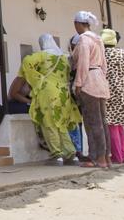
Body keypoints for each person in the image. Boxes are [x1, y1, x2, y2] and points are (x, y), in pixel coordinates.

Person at [19, 35, 83, 165]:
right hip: (63, 94)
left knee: (49, 123)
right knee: (62, 124)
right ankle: (71, 154)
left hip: (47, 92)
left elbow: (26, 62)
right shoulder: (64, 57)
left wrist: (38, 80)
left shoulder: (41, 56)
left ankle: (57, 155)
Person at [71, 11, 110, 168]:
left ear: (79, 24)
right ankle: (105, 156)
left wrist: (78, 83)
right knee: (102, 122)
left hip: (89, 81)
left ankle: (97, 158)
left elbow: (83, 63)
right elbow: (104, 64)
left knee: (92, 122)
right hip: (100, 78)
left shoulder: (84, 40)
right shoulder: (98, 39)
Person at [101, 29, 124, 164]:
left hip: (108, 92)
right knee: (119, 125)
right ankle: (123, 155)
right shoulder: (123, 53)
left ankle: (117, 156)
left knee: (111, 126)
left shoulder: (102, 54)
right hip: (122, 93)